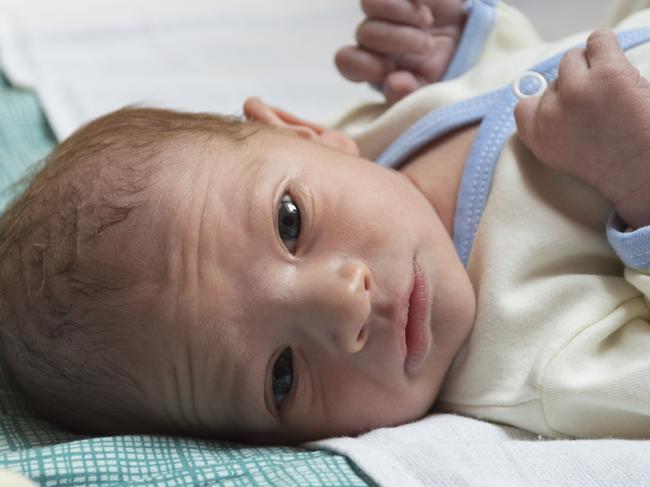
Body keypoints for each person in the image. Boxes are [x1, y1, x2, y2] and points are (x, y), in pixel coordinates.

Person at [0, 0, 648, 444]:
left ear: (307, 133)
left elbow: (532, 76)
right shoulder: (538, 366)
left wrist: (463, 49)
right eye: (282, 376)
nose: (343, 305)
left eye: (289, 222)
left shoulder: (382, 140)